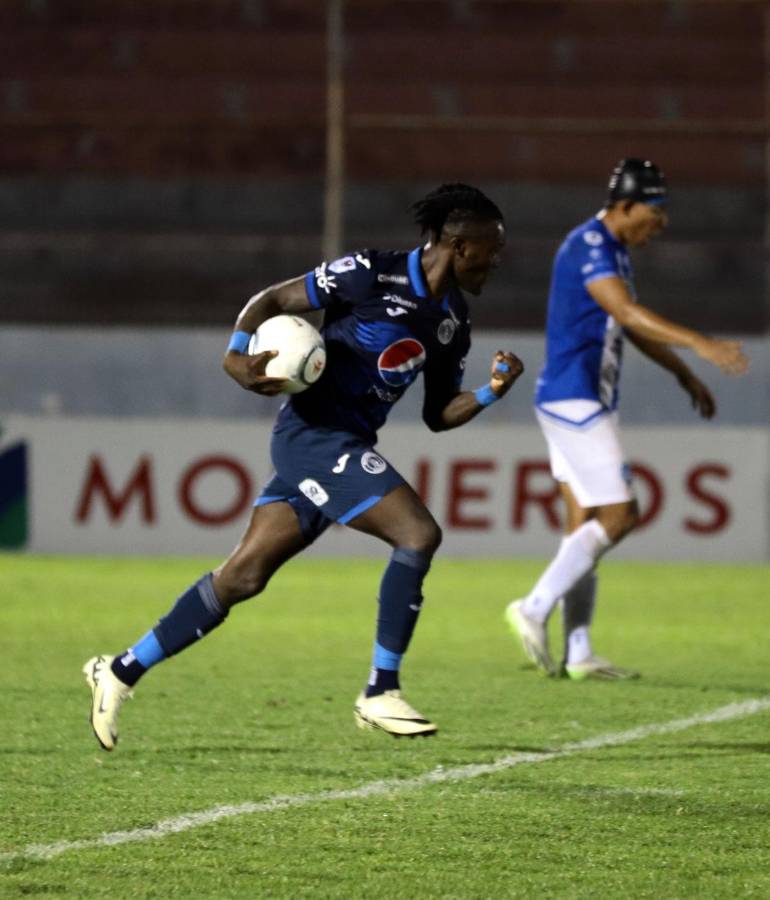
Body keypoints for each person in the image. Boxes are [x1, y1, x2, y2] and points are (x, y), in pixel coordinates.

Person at [83, 183, 524, 747]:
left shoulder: (452, 320)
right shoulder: (371, 272)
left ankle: (118, 670)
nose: (499, 260)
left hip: (343, 443)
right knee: (418, 534)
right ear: (461, 246)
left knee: (242, 577)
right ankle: (379, 690)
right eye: (493, 248)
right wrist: (235, 356)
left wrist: (489, 391)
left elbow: (439, 414)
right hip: (313, 437)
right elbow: (270, 300)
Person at [505, 158, 748, 681]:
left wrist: (683, 373)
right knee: (621, 514)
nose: (658, 227)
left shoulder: (613, 252)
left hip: (575, 398)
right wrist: (701, 344)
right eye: (654, 216)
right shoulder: (590, 245)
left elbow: (631, 329)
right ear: (626, 205)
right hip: (575, 398)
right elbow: (631, 313)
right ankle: (534, 606)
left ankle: (578, 651)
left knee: (585, 524)